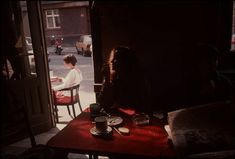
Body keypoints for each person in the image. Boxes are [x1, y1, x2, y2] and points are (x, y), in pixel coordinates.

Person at [98, 46, 150, 114]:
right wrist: (108, 79)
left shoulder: (138, 79)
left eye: (116, 59)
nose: (112, 61)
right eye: (112, 58)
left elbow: (141, 106)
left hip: (137, 117)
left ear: (126, 62)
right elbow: (102, 103)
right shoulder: (114, 77)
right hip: (118, 117)